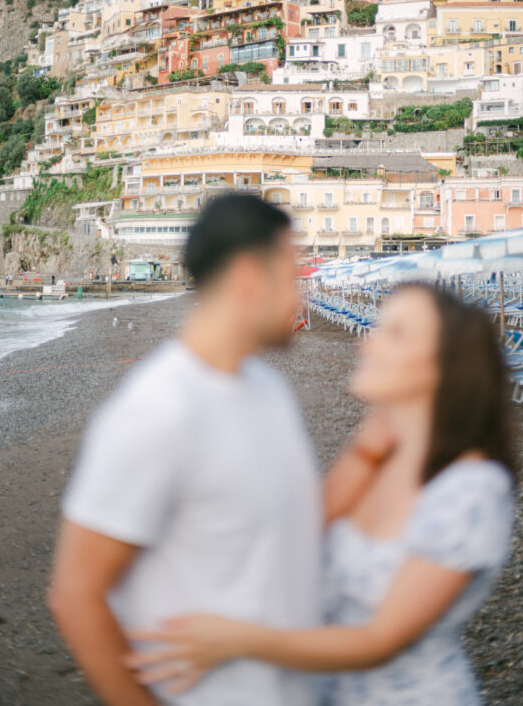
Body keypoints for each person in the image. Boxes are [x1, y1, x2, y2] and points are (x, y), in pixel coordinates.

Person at [126, 284, 516, 706]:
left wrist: (236, 640)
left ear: (444, 366)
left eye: (396, 333)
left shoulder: (472, 490)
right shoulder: (382, 458)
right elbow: (303, 531)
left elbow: (379, 641)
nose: (368, 342)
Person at [48, 194, 322, 706]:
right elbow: (76, 596)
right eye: (292, 279)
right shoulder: (157, 411)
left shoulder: (268, 389)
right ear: (247, 277)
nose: (300, 300)